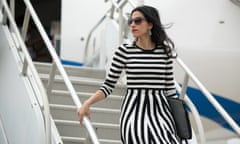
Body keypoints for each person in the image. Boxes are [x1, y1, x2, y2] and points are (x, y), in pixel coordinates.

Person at [77, 5, 180, 144]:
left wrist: (179, 117)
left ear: (150, 24)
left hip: (161, 112)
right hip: (134, 111)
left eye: (138, 21)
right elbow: (108, 85)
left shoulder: (164, 52)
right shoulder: (124, 51)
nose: (132, 25)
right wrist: (87, 103)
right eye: (130, 21)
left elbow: (170, 90)